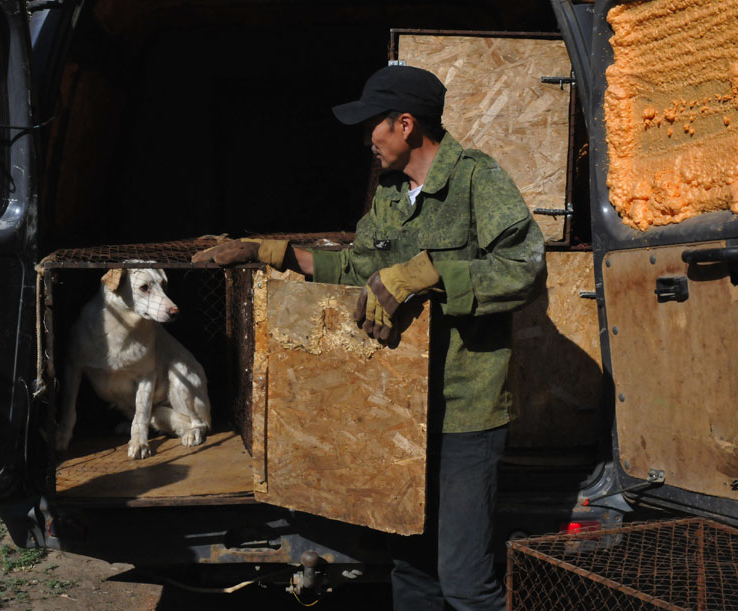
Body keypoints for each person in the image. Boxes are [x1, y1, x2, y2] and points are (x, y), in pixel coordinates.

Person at [193, 64, 546, 610]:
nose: (365, 140)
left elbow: (525, 269)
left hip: (463, 411)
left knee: (466, 584)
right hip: (402, 414)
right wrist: (268, 251)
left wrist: (431, 274)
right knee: (411, 571)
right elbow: (359, 268)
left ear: (405, 124)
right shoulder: (389, 193)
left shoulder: (477, 179)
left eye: (371, 126)